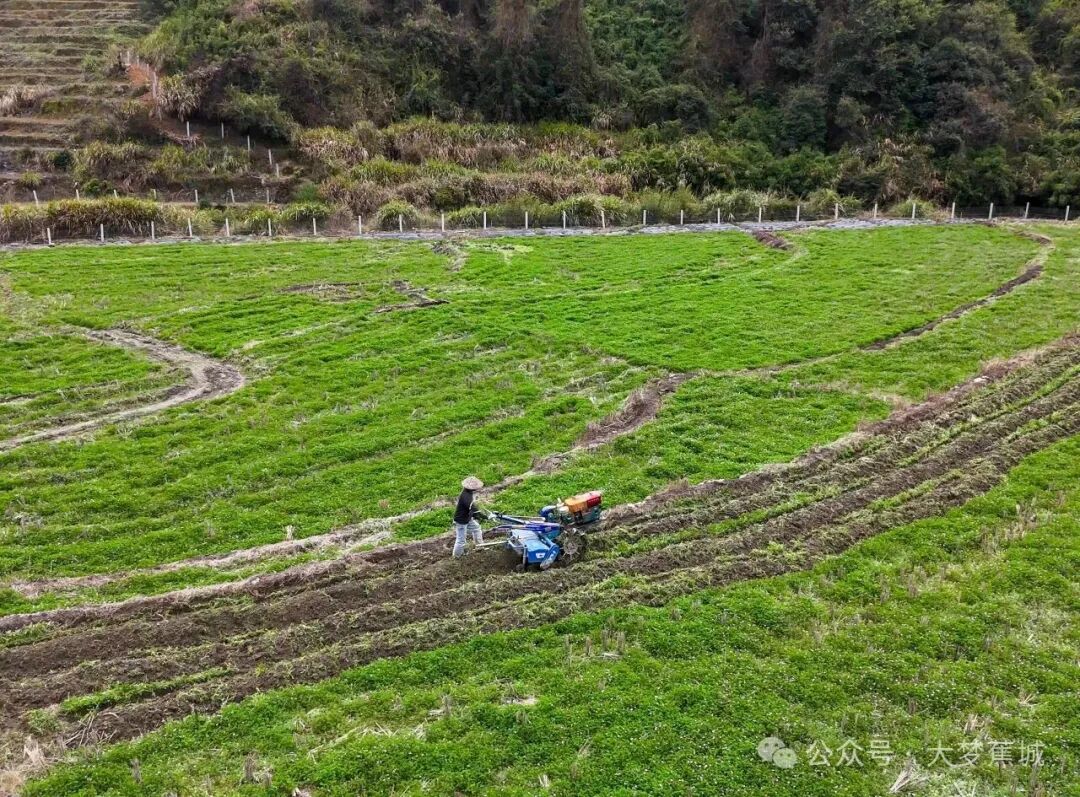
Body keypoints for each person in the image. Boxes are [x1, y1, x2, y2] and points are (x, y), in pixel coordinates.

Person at [452, 476, 485, 557]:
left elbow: (472, 507)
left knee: (477, 528)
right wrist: (480, 515)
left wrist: (478, 514)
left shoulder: (468, 493)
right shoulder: (466, 496)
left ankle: (479, 546)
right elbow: (472, 508)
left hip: (467, 518)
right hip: (461, 520)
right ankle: (456, 556)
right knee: (461, 540)